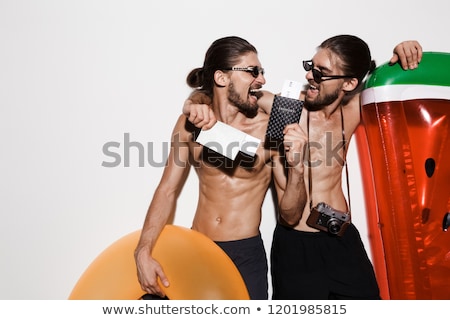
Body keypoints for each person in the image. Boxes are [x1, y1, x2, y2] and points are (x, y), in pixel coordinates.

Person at [183, 35, 422, 300]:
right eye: (310, 66)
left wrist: (403, 51)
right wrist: (193, 103)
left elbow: (393, 80)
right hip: (294, 245)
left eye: (322, 73)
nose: (310, 76)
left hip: (341, 238)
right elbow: (227, 92)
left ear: (350, 83)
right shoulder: (284, 107)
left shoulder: (354, 109)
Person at [134, 36, 299, 300]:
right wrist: (142, 251)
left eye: (262, 71)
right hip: (198, 247)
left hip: (245, 255)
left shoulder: (269, 129)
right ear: (222, 78)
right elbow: (167, 190)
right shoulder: (189, 124)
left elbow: (290, 212)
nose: (262, 79)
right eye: (253, 71)